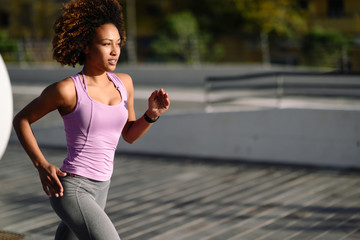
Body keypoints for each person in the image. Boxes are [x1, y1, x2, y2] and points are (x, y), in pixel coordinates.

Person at [12, 0, 170, 239]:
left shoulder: (123, 82)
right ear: (86, 46)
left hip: (102, 187)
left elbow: (128, 135)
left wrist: (151, 115)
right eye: (107, 44)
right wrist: (41, 166)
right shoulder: (68, 90)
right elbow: (21, 120)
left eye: (118, 43)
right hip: (74, 188)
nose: (115, 51)